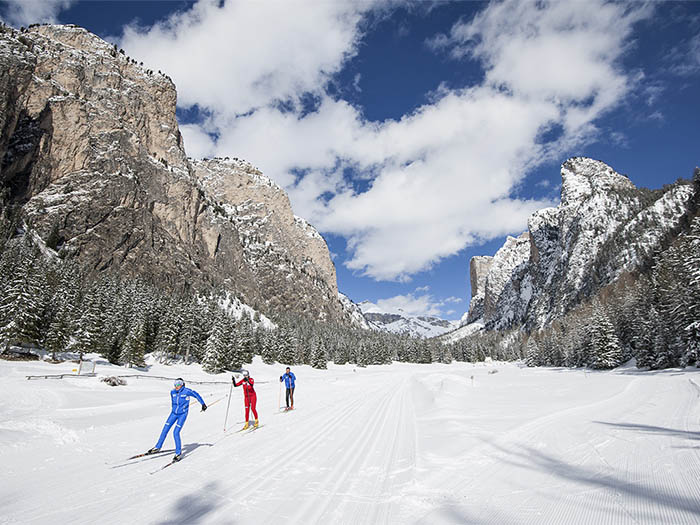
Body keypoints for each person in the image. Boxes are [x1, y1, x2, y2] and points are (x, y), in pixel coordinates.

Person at [148, 378, 207, 462]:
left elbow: (196, 395)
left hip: (182, 415)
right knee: (165, 429)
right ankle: (157, 447)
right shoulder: (172, 392)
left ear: (182, 384)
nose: (176, 386)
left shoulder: (187, 391)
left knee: (175, 432)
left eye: (178, 384)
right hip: (173, 414)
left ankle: (178, 453)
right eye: (175, 384)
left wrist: (203, 404)